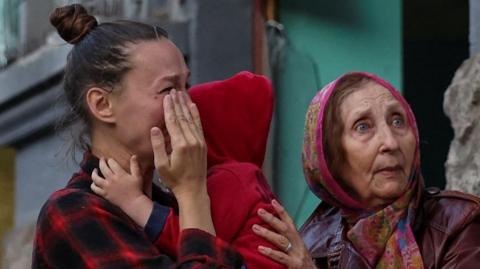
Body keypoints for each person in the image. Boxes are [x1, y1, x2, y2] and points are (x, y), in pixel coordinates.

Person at [33, 4, 246, 268]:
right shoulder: (72, 211)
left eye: (186, 87)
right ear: (102, 104)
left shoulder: (170, 206)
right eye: (168, 89)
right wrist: (193, 192)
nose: (188, 105)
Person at [253, 72, 480, 268]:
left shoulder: (458, 226)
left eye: (398, 121)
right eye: (363, 127)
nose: (390, 142)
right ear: (330, 158)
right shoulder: (313, 243)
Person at [90, 71, 286, 269]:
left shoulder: (230, 180)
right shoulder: (246, 179)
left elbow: (195, 240)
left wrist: (135, 202)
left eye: (187, 125)